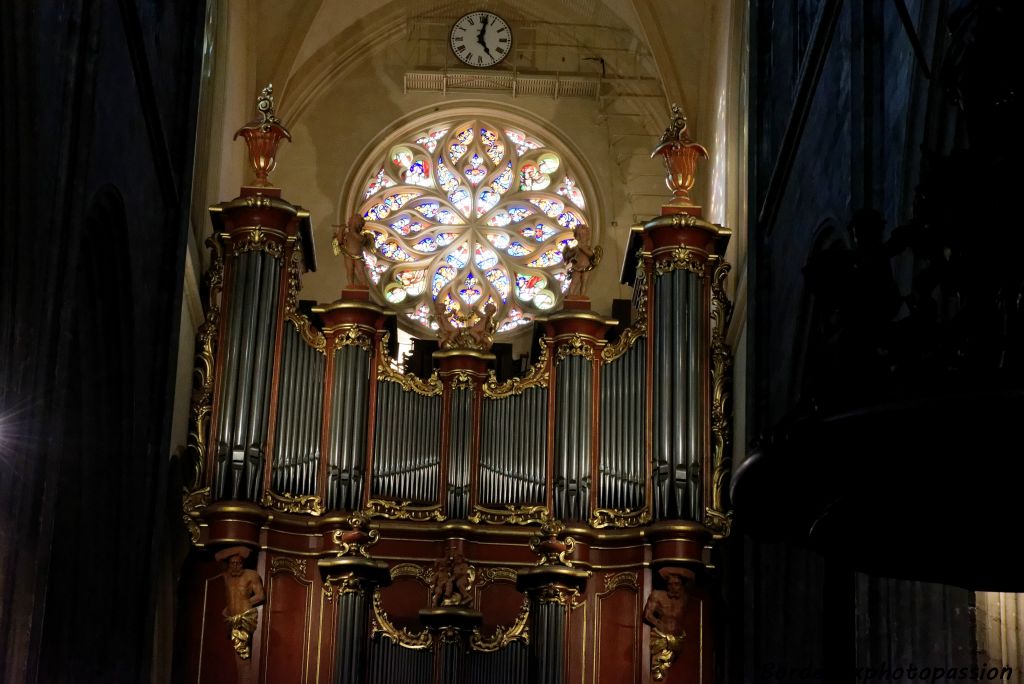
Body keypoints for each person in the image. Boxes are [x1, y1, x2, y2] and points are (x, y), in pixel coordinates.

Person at [643, 567, 693, 679]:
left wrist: (679, 571)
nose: (673, 587)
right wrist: (658, 623)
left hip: (678, 639)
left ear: (681, 585)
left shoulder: (685, 598)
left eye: (677, 584)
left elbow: (693, 579)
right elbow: (647, 615)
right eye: (670, 584)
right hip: (660, 637)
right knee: (658, 674)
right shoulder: (657, 595)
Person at [216, 546, 265, 660]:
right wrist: (237, 550)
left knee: (244, 652)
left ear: (242, 563)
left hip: (246, 616)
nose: (235, 566)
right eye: (232, 563)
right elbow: (217, 557)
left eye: (238, 563)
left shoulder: (251, 575)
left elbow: (260, 595)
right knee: (236, 653)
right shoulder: (227, 575)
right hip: (231, 617)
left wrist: (245, 602)